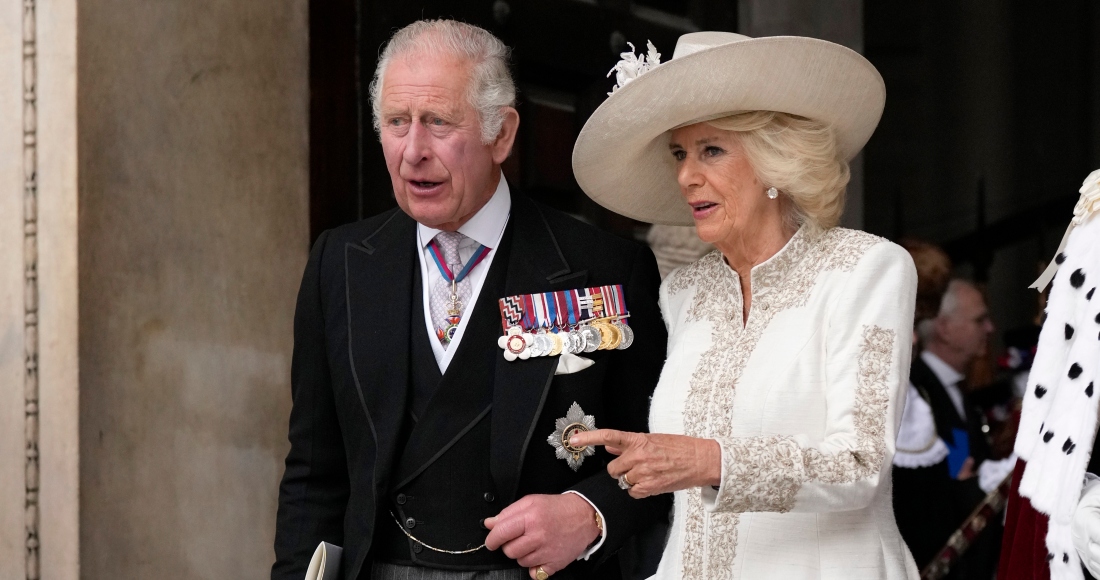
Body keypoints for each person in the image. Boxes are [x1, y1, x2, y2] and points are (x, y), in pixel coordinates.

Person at [270, 20, 669, 580]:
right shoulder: (340, 264)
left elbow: (661, 455)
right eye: (396, 123)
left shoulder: (603, 266)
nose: (413, 151)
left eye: (437, 122)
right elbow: (313, 472)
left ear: (501, 134)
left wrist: (592, 513)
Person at [568, 31, 920, 578]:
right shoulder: (682, 291)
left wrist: (711, 461)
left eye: (711, 149)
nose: (686, 174)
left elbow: (861, 464)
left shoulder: (866, 269)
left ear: (774, 160)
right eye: (680, 153)